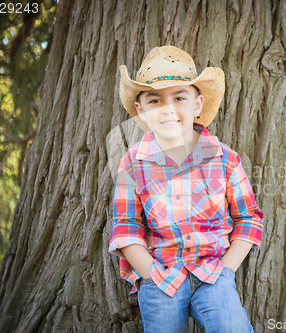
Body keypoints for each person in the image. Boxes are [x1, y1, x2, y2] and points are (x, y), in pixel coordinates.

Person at [108, 45, 264, 333]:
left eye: (179, 97)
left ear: (197, 105)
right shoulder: (133, 164)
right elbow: (126, 225)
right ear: (141, 112)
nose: (168, 109)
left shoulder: (223, 158)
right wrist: (149, 275)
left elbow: (249, 217)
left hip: (213, 272)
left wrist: (226, 270)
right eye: (155, 101)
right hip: (161, 276)